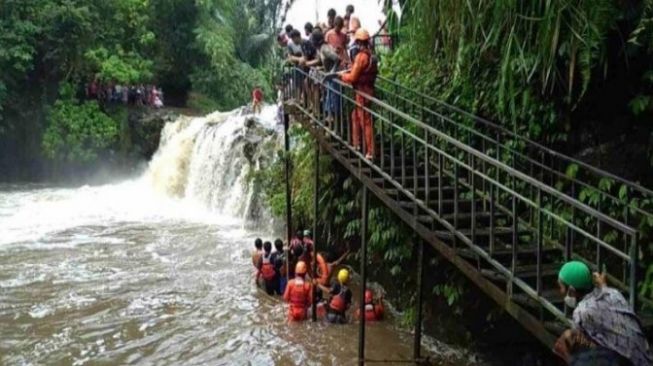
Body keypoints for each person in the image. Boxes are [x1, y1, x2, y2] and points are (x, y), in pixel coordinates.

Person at [553, 261, 652, 366]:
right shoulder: (613, 293)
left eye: (561, 287)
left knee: (569, 338)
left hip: (627, 362)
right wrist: (603, 285)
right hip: (645, 357)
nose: (560, 291)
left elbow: (577, 338)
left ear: (571, 290)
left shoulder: (581, 312)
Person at [340, 29, 378, 160]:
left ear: (358, 41)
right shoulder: (372, 55)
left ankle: (371, 152)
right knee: (355, 116)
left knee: (365, 120)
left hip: (362, 92)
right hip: (369, 90)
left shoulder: (361, 57)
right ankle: (357, 144)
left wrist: (342, 76)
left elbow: (352, 77)